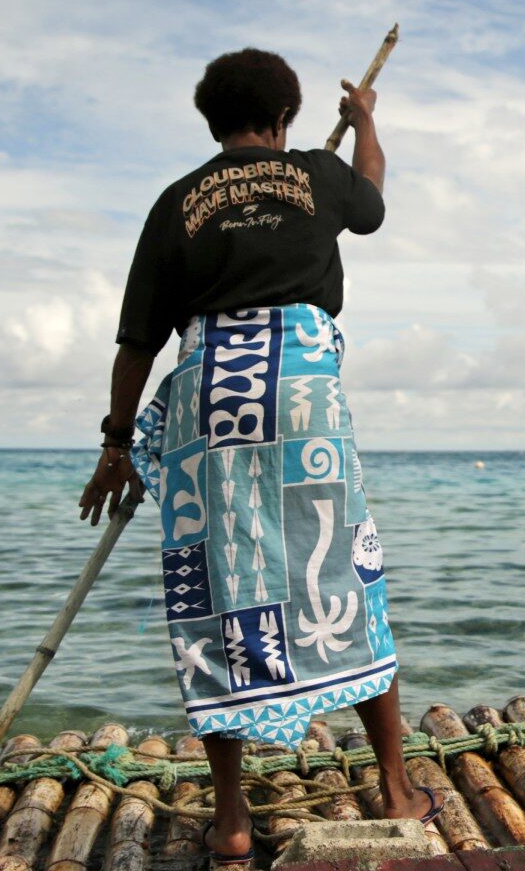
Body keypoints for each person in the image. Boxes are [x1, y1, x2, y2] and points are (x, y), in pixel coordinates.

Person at [77, 48, 438, 868]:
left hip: (208, 393)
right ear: (286, 117)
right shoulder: (317, 172)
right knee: (344, 565)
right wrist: (369, 120)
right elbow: (373, 196)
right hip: (300, 385)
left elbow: (139, 339)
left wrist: (114, 444)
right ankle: (395, 785)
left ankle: (233, 817)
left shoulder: (177, 202)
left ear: (213, 122)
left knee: (216, 585)